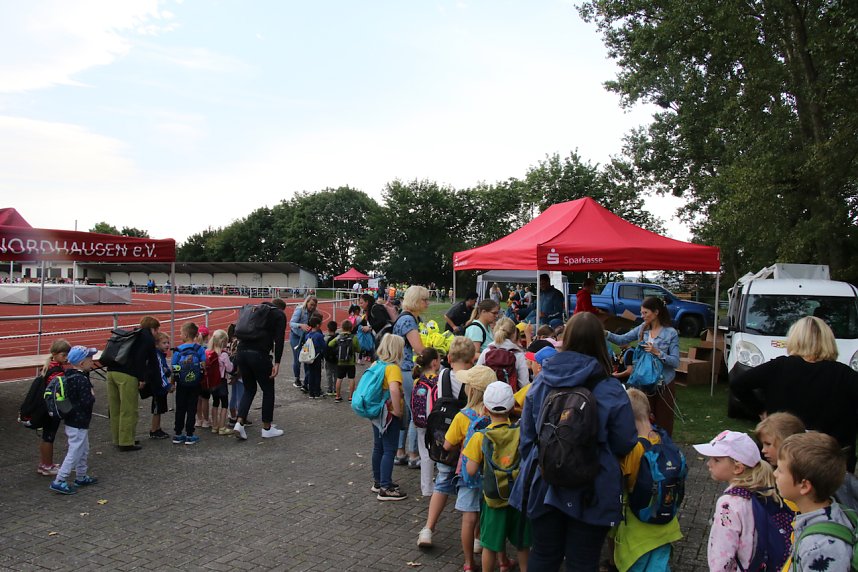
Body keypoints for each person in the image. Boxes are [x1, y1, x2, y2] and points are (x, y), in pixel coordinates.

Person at [510, 312, 638, 571]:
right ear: (600, 344)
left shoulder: (542, 381)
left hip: (545, 481)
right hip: (592, 486)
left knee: (544, 555)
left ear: (565, 340)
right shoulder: (610, 388)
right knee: (583, 562)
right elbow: (625, 441)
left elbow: (527, 437)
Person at [731, 315, 858, 472]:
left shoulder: (779, 367)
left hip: (784, 458)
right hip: (830, 462)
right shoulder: (844, 374)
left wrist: (760, 410)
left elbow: (738, 384)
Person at [693, 430, 793, 572]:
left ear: (738, 468)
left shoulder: (728, 504)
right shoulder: (763, 492)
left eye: (716, 460)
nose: (709, 463)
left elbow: (723, 553)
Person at [610, 388, 683, 572]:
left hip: (637, 528)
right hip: (666, 525)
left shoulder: (633, 449)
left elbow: (626, 484)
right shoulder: (663, 440)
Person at [464, 381, 531, 572]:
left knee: (490, 544)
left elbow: (470, 469)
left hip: (493, 499)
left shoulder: (480, 437)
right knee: (523, 543)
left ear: (485, 408)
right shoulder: (521, 431)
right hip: (519, 498)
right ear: (511, 407)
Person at [417, 336, 476, 549]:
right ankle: (476, 538)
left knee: (442, 481)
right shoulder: (472, 378)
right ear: (472, 359)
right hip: (466, 440)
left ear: (449, 357)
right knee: (471, 486)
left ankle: (428, 529)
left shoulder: (442, 375)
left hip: (444, 437)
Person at [776, 432, 854, 571]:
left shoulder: (819, 547)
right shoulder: (836, 512)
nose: (774, 474)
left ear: (805, 486)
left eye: (780, 470)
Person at [442, 365, 493, 572]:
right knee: (488, 516)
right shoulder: (498, 414)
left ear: (470, 390)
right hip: (492, 476)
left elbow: (447, 444)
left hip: (468, 473)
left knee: (468, 517)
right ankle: (495, 556)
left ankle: (469, 563)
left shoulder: (463, 416)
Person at [606, 296, 681, 435]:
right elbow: (622, 339)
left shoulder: (671, 333)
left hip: (664, 383)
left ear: (656, 312)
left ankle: (664, 450)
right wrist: (606, 333)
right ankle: (647, 450)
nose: (642, 316)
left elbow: (675, 362)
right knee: (645, 420)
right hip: (645, 383)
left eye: (645, 312)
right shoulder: (642, 329)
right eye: (641, 312)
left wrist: (657, 353)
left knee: (664, 422)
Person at [234, 298, 287, 440]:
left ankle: (239, 423)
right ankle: (266, 428)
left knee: (249, 389)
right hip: (259, 355)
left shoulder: (255, 311)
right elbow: (279, 339)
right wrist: (277, 362)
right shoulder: (278, 315)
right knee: (268, 390)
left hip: (242, 352)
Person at [106, 316, 160, 452]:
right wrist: (148, 380)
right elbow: (148, 361)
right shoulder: (147, 339)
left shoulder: (133, 334)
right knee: (128, 408)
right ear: (153, 329)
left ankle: (117, 438)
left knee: (115, 408)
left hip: (112, 371)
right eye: (157, 330)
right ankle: (126, 441)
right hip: (127, 375)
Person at [49, 346, 99, 495]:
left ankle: (81, 475)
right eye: (90, 359)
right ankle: (60, 479)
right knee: (76, 451)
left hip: (74, 420)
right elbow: (86, 401)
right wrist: (92, 394)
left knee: (83, 449)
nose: (92, 361)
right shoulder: (81, 380)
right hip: (79, 421)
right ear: (82, 363)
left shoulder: (68, 375)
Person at [392, 285, 429, 468]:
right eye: (424, 300)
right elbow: (419, 348)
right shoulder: (409, 320)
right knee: (415, 413)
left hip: (398, 368)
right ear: (416, 300)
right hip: (406, 369)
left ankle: (400, 452)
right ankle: (414, 454)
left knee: (405, 414)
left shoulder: (402, 317)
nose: (427, 303)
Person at [369, 334, 407, 501]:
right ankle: (385, 487)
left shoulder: (376, 363)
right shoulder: (393, 368)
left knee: (378, 447)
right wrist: (398, 411)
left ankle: (378, 481)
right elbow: (394, 389)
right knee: (390, 449)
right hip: (388, 413)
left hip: (376, 412)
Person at [36, 339, 70, 476]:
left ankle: (45, 463)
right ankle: (46, 465)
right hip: (51, 408)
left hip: (46, 406)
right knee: (49, 437)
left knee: (47, 436)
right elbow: (59, 391)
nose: (66, 358)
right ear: (55, 354)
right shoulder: (57, 372)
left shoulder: (49, 366)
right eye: (64, 355)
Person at [411, 348, 441, 498]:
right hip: (434, 422)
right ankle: (435, 486)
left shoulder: (418, 380)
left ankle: (426, 486)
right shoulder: (438, 380)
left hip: (420, 421)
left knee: (424, 454)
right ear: (435, 362)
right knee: (435, 453)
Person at [171, 322, 207, 445]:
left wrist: (174, 381)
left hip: (181, 383)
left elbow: (174, 366)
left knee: (180, 408)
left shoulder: (178, 350)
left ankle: (178, 433)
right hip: (195, 383)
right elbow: (203, 365)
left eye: (181, 333)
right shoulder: (199, 349)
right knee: (192, 408)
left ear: (185, 334)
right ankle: (190, 434)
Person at [477, 317, 529, 390]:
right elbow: (524, 384)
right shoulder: (518, 355)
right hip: (510, 396)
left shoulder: (487, 351)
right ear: (514, 334)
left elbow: (476, 376)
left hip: (488, 396)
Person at [208, 329, 234, 434]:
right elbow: (229, 369)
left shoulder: (209, 353)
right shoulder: (223, 355)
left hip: (213, 382)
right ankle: (222, 427)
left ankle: (214, 425)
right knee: (224, 404)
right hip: (222, 381)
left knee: (215, 402)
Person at [289, 296, 318, 389]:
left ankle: (307, 380)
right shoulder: (300, 310)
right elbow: (291, 323)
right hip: (296, 336)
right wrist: (301, 325)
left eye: (314, 305)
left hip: (306, 338)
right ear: (307, 303)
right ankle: (297, 379)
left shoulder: (314, 313)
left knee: (306, 358)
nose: (312, 307)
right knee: (298, 358)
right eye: (311, 305)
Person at [148, 332, 174, 439]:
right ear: (157, 344)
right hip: (158, 387)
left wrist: (167, 371)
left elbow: (164, 370)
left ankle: (157, 428)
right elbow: (160, 372)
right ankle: (154, 429)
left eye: (168, 343)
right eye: (164, 343)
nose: (167, 345)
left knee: (160, 409)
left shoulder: (160, 355)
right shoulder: (157, 355)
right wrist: (167, 386)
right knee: (157, 409)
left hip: (160, 387)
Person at [329, 319, 360, 403]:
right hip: (351, 362)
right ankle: (351, 397)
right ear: (351, 328)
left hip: (340, 362)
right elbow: (358, 349)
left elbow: (330, 344)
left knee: (339, 378)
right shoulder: (354, 338)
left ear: (342, 328)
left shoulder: (339, 337)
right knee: (351, 378)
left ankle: (338, 396)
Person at [304, 316, 326, 399]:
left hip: (309, 358)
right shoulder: (319, 336)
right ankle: (317, 392)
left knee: (311, 374)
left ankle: (311, 392)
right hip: (317, 357)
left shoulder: (308, 335)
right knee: (317, 374)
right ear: (317, 325)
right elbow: (324, 346)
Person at [196, 325, 212, 429]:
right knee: (205, 399)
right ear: (207, 337)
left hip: (196, 376)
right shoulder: (207, 349)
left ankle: (198, 419)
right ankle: (206, 420)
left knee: (198, 399)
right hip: (205, 377)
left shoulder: (195, 348)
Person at [323, 320, 339, 397]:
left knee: (329, 374)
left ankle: (329, 389)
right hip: (336, 359)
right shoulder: (338, 338)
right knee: (336, 374)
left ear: (328, 329)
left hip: (328, 359)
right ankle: (336, 389)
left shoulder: (325, 338)